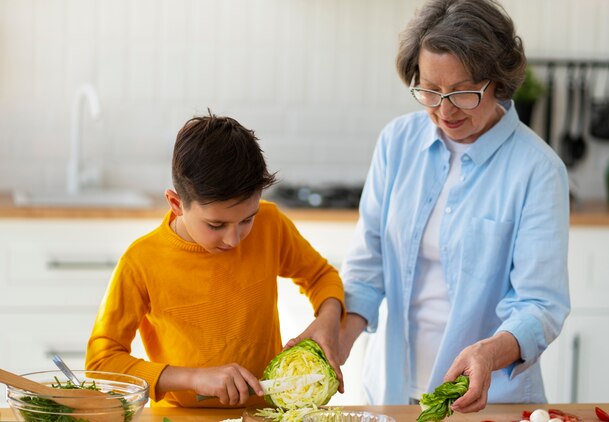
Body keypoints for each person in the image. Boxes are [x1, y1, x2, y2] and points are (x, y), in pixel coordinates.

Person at [337, 0, 570, 412]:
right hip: (392, 394)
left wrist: (488, 353)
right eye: (430, 90)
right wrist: (335, 344)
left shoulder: (538, 170)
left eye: (462, 93)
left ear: (497, 81)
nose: (444, 110)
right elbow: (367, 269)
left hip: (489, 401)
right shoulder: (397, 143)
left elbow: (540, 305)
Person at [86, 110, 345, 408]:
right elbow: (102, 362)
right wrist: (192, 378)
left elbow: (321, 276)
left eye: (247, 219)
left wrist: (328, 319)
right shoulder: (141, 261)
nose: (234, 240)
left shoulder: (271, 224)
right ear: (176, 204)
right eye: (216, 225)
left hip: (263, 414)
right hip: (180, 417)